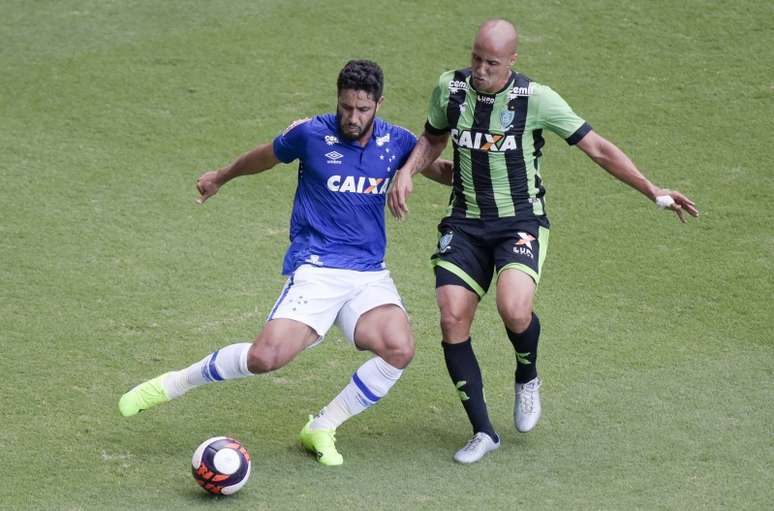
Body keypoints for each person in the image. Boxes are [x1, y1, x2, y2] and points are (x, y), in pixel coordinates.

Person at [388, 19, 699, 464]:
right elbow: (434, 138)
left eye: (491, 63)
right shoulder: (450, 88)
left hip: (521, 222)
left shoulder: (536, 99)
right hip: (466, 222)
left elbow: (600, 149)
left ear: (512, 60)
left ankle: (527, 376)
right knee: (452, 316)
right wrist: (407, 170)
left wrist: (653, 190)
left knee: (514, 308)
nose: (480, 69)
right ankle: (483, 432)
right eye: (475, 58)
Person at [119, 60, 450, 466]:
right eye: (346, 107)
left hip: (367, 274)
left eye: (363, 110)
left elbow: (439, 169)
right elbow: (264, 156)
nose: (352, 117)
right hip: (316, 267)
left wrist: (491, 166)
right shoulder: (311, 134)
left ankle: (323, 426)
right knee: (264, 358)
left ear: (379, 104)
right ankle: (173, 383)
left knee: (399, 348)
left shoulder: (396, 142)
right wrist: (220, 177)